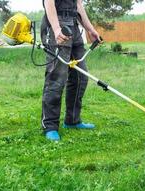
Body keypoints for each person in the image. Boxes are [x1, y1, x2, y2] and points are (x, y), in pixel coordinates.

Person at [41, 0, 101, 141]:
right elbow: (49, 2)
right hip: (57, 23)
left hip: (73, 25)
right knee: (56, 79)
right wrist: (56, 29)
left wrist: (90, 29)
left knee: (80, 77)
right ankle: (49, 126)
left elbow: (79, 5)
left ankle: (72, 120)